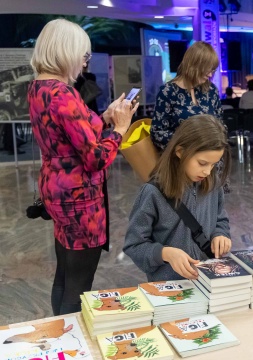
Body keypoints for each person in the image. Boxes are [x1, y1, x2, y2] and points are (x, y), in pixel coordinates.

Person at [28, 19, 138, 315]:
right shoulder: (63, 94)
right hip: (79, 198)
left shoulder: (40, 88)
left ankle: (59, 336)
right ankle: (70, 345)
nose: (84, 62)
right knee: (79, 284)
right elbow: (96, 158)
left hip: (57, 188)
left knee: (64, 274)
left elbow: (73, 134)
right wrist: (120, 130)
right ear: (67, 51)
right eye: (84, 55)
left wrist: (106, 118)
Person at [124, 115, 232, 281]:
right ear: (180, 152)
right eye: (202, 163)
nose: (207, 172)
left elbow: (220, 219)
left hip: (207, 280)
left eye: (214, 164)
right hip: (169, 287)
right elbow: (134, 245)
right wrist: (165, 253)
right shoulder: (152, 193)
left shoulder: (212, 183)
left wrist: (221, 234)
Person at [151, 41, 222, 151]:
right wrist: (188, 143)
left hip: (211, 158)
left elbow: (220, 124)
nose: (210, 75)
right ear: (193, 65)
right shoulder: (168, 91)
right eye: (207, 69)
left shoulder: (211, 90)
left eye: (213, 70)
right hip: (181, 159)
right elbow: (157, 132)